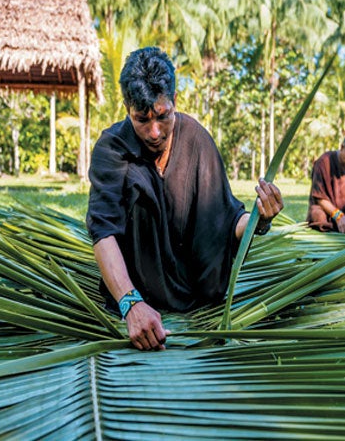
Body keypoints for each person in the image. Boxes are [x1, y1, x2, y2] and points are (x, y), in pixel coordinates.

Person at [86, 47, 284, 351]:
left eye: (163, 116)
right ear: (127, 109)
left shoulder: (197, 140)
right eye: (142, 119)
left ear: (174, 102)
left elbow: (226, 222)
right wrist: (130, 303)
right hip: (137, 296)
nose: (154, 132)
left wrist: (260, 218)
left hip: (196, 299)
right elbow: (103, 230)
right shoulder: (112, 149)